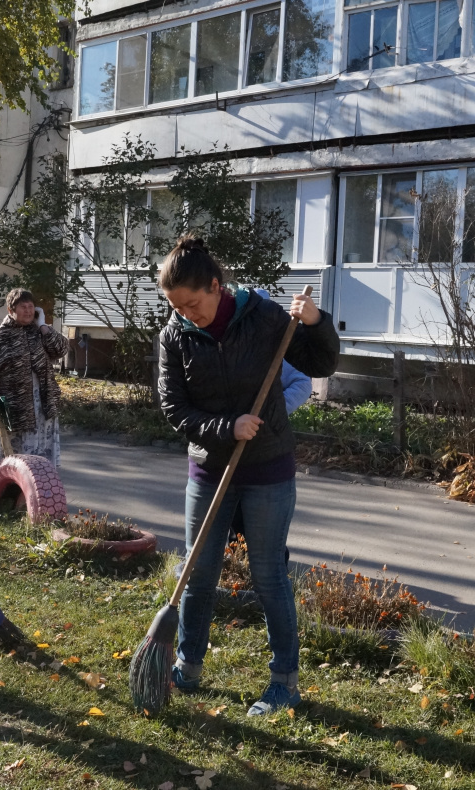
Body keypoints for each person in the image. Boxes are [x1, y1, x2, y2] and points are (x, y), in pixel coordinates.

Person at [157, 237, 339, 716]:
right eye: (177, 307)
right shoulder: (175, 334)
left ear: (216, 287)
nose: (186, 314)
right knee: (197, 575)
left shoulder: (263, 317)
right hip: (209, 467)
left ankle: (284, 683)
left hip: (268, 469)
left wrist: (316, 322)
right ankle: (187, 665)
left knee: (268, 577)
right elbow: (174, 408)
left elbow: (321, 363)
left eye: (192, 303)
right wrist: (225, 427)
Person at [229, 287, 312, 548]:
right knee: (232, 517)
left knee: (266, 531)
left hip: (267, 444)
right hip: (229, 443)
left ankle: (266, 576)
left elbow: (302, 383)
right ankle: (235, 572)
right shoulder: (231, 343)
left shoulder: (280, 346)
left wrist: (272, 411)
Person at [0, 288, 69, 467]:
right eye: (23, 307)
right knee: (15, 458)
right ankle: (13, 493)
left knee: (42, 456)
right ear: (11, 310)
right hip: (14, 406)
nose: (28, 311)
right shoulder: (1, 335)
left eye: (31, 306)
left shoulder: (40, 331)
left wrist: (43, 326)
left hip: (43, 404)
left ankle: (42, 490)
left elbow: (61, 349)